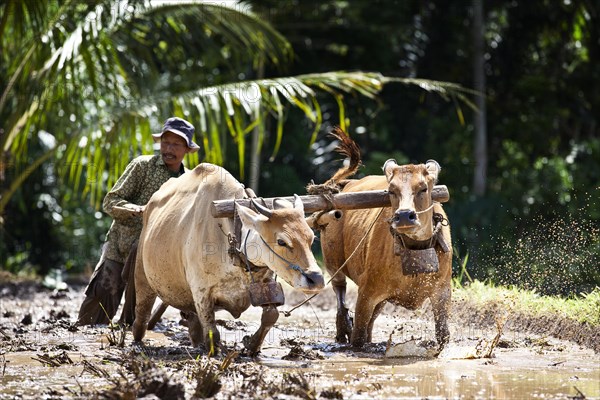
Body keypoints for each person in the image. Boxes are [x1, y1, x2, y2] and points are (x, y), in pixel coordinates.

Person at [76, 117, 200, 326]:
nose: (169, 148)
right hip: (121, 245)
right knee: (99, 302)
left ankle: (133, 339)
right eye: (165, 142)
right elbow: (110, 201)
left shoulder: (188, 183)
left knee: (136, 315)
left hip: (153, 257)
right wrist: (138, 210)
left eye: (176, 144)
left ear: (187, 149)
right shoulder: (143, 166)